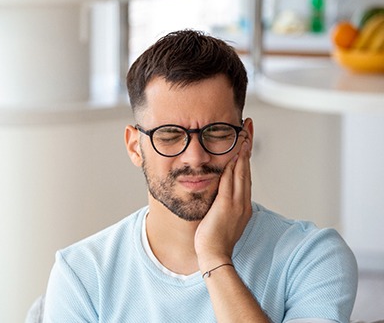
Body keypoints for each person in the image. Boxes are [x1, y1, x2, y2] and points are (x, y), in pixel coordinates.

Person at [43, 29, 358, 322]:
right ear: (134, 146)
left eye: (217, 132)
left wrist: (214, 257)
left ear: (245, 139)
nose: (195, 157)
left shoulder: (312, 257)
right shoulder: (82, 274)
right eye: (169, 135)